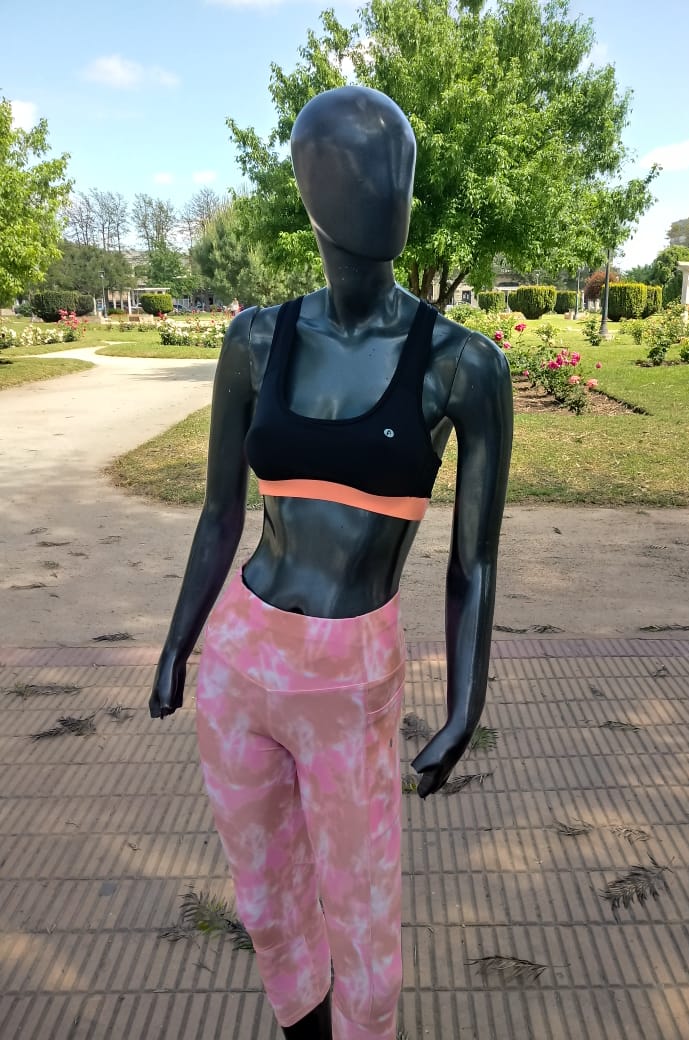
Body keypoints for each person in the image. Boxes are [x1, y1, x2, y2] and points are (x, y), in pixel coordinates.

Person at [149, 85, 512, 1040]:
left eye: (399, 169)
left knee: (366, 937)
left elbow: (473, 562)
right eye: (357, 169)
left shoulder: (463, 364)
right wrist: (178, 643)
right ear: (312, 190)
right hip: (241, 666)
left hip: (351, 679)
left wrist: (466, 705)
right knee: (269, 909)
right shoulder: (256, 339)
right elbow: (221, 512)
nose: (386, 189)